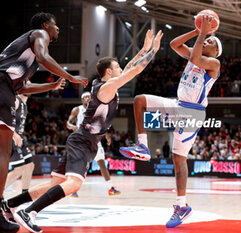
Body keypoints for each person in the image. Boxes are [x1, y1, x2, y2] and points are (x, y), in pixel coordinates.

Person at [2, 29, 162, 233]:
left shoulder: (107, 85)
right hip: (83, 141)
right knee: (74, 184)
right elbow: (134, 70)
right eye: (117, 66)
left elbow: (131, 67)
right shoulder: (106, 89)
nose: (121, 68)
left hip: (84, 140)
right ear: (109, 72)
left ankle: (9, 205)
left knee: (54, 184)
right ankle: (29, 212)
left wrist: (145, 49)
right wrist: (153, 52)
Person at [120, 15, 221, 228]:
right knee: (139, 100)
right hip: (178, 104)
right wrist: (197, 31)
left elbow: (195, 59)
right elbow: (175, 44)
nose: (208, 41)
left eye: (212, 42)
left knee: (178, 159)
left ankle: (181, 205)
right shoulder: (195, 52)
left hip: (193, 113)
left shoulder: (213, 63)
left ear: (215, 52)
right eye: (209, 39)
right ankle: (143, 146)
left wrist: (203, 33)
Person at [0, 12, 87, 233]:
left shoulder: (23, 55)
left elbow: (22, 87)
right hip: (2, 88)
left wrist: (51, 86)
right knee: (3, 152)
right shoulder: (39, 34)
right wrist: (71, 77)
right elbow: (43, 57)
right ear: (46, 25)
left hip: (7, 87)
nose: (58, 29)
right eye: (56, 26)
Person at [66, 92, 120, 197]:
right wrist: (72, 127)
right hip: (82, 141)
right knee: (80, 165)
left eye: (89, 97)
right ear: (82, 100)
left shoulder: (96, 111)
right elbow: (68, 123)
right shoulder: (77, 109)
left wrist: (107, 136)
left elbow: (101, 125)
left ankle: (110, 188)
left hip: (95, 140)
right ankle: (73, 189)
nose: (87, 98)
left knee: (102, 164)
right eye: (85, 97)